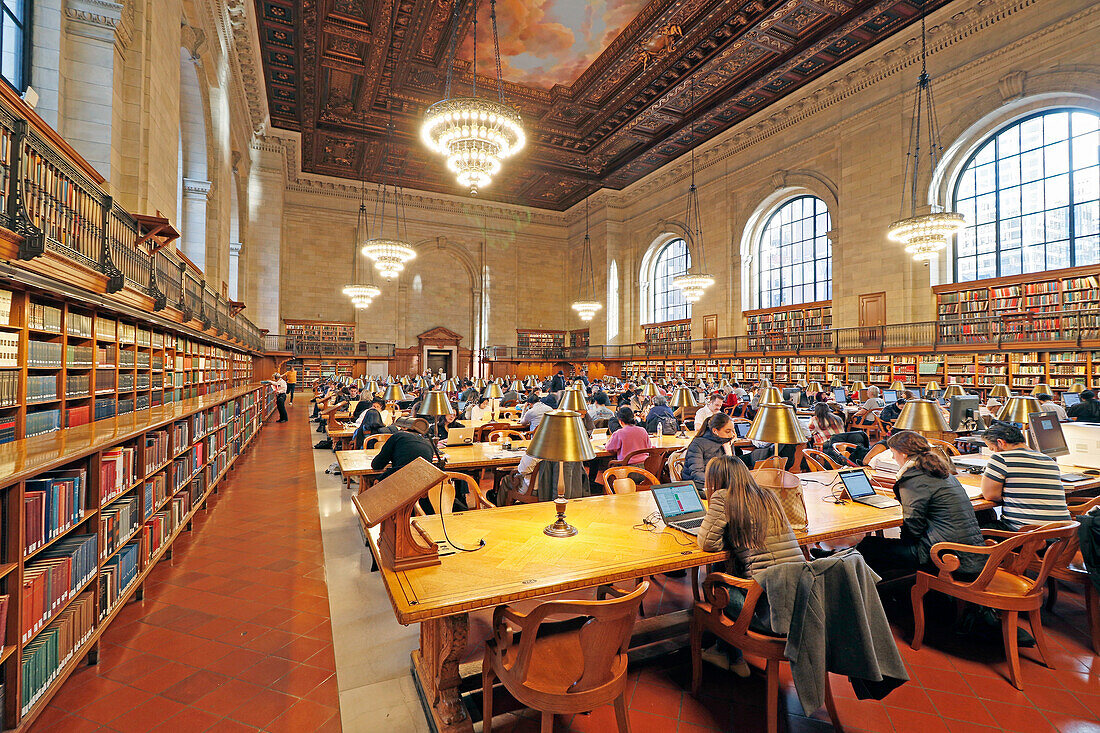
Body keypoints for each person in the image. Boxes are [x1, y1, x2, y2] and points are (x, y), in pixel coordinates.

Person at [696, 455, 805, 675]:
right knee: (732, 573)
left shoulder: (723, 497)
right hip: (800, 607)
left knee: (717, 586)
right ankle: (731, 658)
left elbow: (707, 543)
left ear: (716, 480)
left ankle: (730, 656)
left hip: (769, 616)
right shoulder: (768, 495)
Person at [856, 431, 986, 580]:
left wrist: (906, 546)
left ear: (904, 454)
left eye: (893, 453)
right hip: (972, 551)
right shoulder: (943, 473)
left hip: (945, 555)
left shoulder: (913, 478)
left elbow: (913, 526)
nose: (893, 458)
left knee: (867, 546)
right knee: (885, 547)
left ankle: (886, 594)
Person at [980, 422, 1070, 531]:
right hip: (1063, 536)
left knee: (976, 526)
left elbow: (990, 495)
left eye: (992, 449)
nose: (993, 452)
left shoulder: (1001, 458)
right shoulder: (1048, 460)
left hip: (1028, 537)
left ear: (1000, 442)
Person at [683, 413, 742, 491]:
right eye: (728, 431)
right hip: (698, 485)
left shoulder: (727, 442)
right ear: (715, 431)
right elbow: (696, 473)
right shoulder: (697, 444)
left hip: (718, 484)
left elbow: (733, 471)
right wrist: (721, 484)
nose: (731, 435)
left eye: (733, 431)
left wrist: (728, 450)